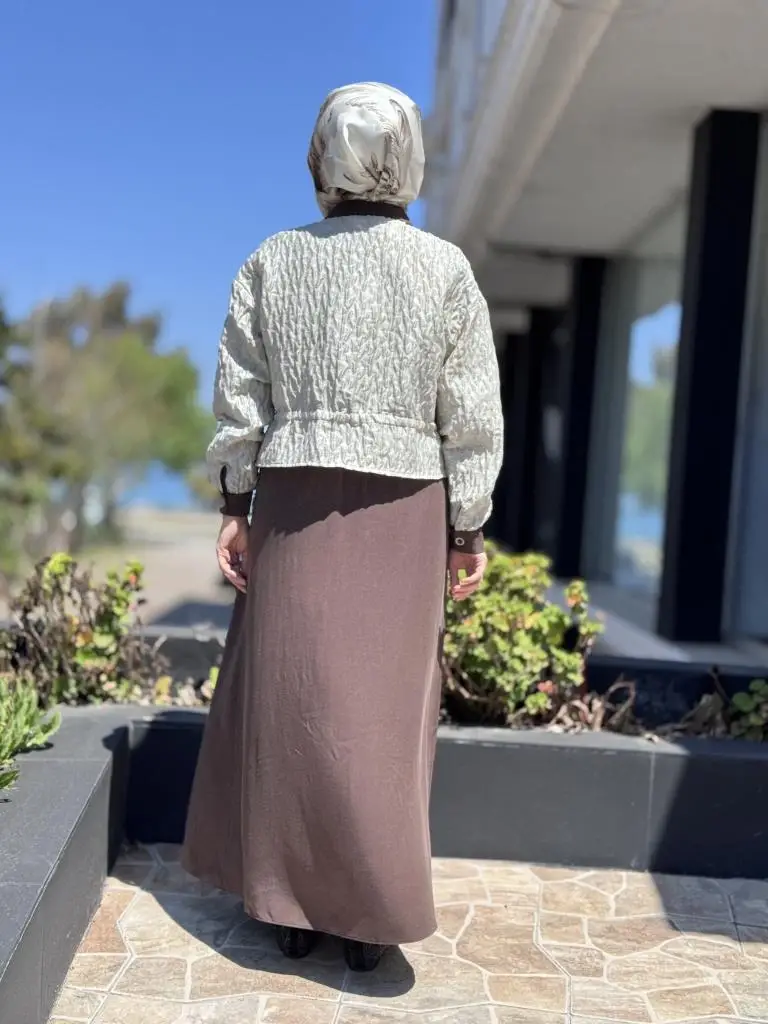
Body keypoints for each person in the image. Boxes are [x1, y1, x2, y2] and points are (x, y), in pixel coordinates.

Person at [181, 81, 504, 973]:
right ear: (408, 158)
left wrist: (236, 504)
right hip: (407, 507)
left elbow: (241, 394)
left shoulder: (273, 261)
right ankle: (369, 918)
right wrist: (467, 526)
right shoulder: (445, 270)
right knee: (385, 713)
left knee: (290, 700)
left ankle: (288, 905)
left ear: (322, 156)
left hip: (294, 498)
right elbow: (472, 413)